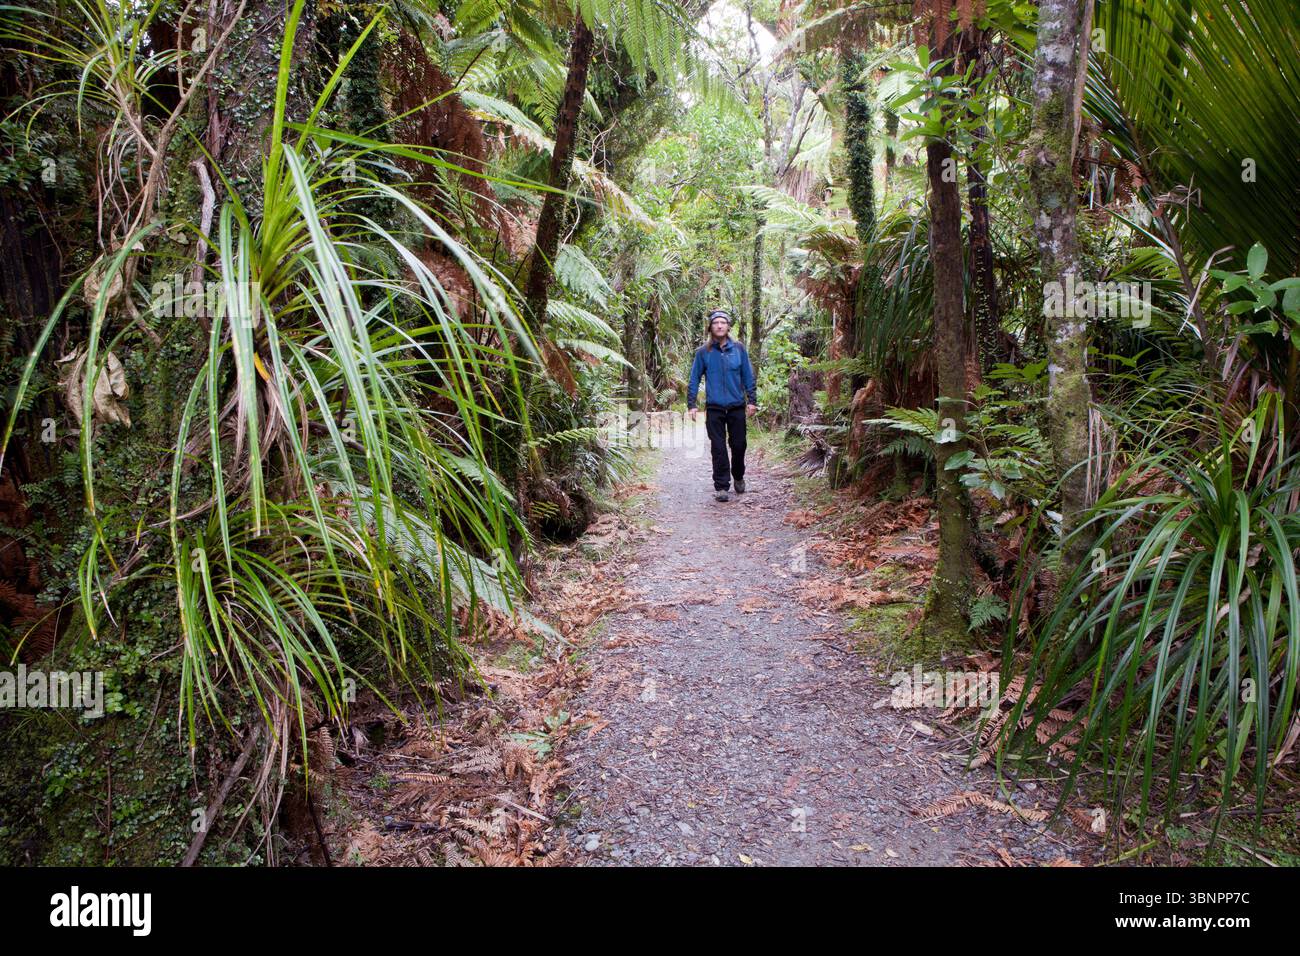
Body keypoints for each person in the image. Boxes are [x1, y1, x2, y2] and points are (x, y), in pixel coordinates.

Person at [687, 309, 757, 502]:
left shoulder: (739, 349)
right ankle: (721, 487)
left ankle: (739, 475)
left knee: (739, 445)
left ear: (728, 326)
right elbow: (694, 378)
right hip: (715, 408)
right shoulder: (704, 352)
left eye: (723, 323)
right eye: (716, 323)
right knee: (718, 447)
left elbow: (748, 376)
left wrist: (752, 401)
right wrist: (691, 404)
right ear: (710, 327)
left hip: (736, 406)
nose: (719, 326)